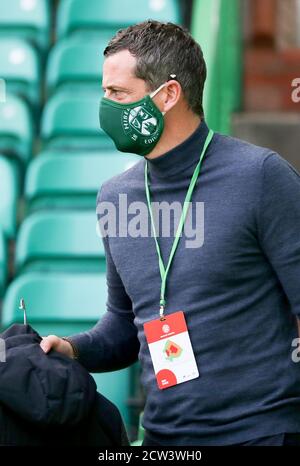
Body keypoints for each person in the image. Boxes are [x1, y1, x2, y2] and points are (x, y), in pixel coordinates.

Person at [40, 20, 300, 446]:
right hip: (163, 439)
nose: (106, 106)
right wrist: (72, 350)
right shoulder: (115, 196)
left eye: (117, 94)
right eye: (104, 92)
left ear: (169, 95)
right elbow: (124, 328)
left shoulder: (261, 178)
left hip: (261, 433)